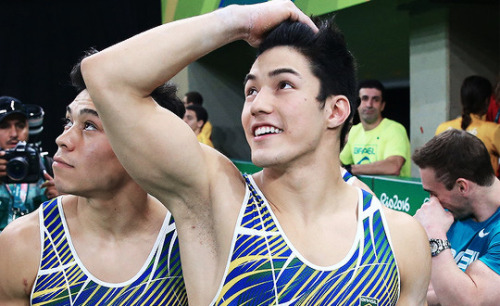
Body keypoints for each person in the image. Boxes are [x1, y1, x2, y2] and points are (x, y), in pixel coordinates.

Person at [81, 1, 430, 304]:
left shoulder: (399, 238)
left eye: (284, 85)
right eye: (250, 90)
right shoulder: (216, 200)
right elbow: (106, 76)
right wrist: (239, 21)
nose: (257, 105)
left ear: (335, 111)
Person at [0, 51, 188, 305]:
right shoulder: (22, 243)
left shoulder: (186, 240)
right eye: (68, 122)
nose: (62, 139)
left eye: (89, 126)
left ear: (142, 146)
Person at [413, 129, 500, 305]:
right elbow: (414, 288)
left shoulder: (437, 225)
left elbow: (468, 302)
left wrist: (434, 234)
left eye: (433, 193)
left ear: (462, 187)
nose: (431, 203)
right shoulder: (455, 212)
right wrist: (450, 289)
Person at [0, 96, 55, 232]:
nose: (14, 133)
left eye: (20, 125)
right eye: (4, 126)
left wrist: (65, 201)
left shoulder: (51, 167)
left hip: (37, 249)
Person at [340, 79, 411, 177]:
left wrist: (351, 169)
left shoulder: (394, 129)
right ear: (356, 104)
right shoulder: (354, 131)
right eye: (364, 98)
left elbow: (393, 167)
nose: (369, 105)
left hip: (391, 191)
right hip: (365, 191)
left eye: (376, 99)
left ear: (382, 106)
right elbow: (338, 163)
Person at [435, 75, 500, 175]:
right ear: (487, 101)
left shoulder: (442, 128)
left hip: (450, 189)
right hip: (483, 190)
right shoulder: (493, 131)